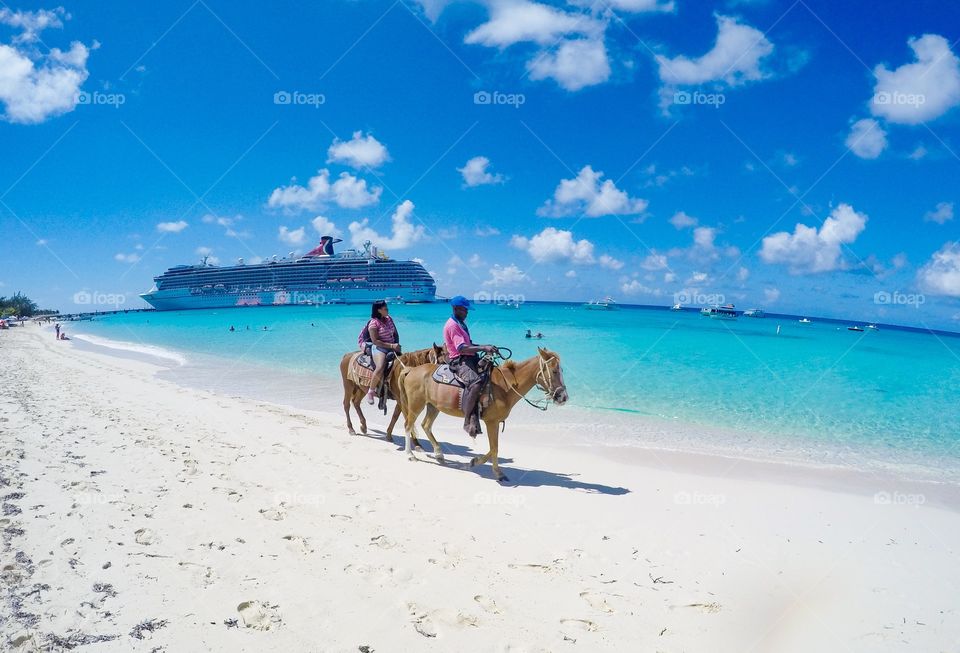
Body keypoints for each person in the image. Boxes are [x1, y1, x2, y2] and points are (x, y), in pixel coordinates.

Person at [443, 296, 497, 437]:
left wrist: (486, 347)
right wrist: (483, 348)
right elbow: (461, 348)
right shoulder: (453, 325)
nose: (467, 312)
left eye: (467, 310)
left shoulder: (461, 323)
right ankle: (467, 420)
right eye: (465, 310)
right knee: (475, 383)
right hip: (459, 360)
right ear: (456, 309)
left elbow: (469, 344)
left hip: (469, 357)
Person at [363, 300, 401, 405]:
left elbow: (396, 334)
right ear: (379, 310)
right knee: (380, 367)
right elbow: (375, 341)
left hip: (392, 346)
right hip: (380, 347)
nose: (387, 310)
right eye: (385, 309)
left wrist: (397, 345)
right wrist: (391, 346)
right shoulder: (373, 323)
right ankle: (371, 391)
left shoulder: (389, 319)